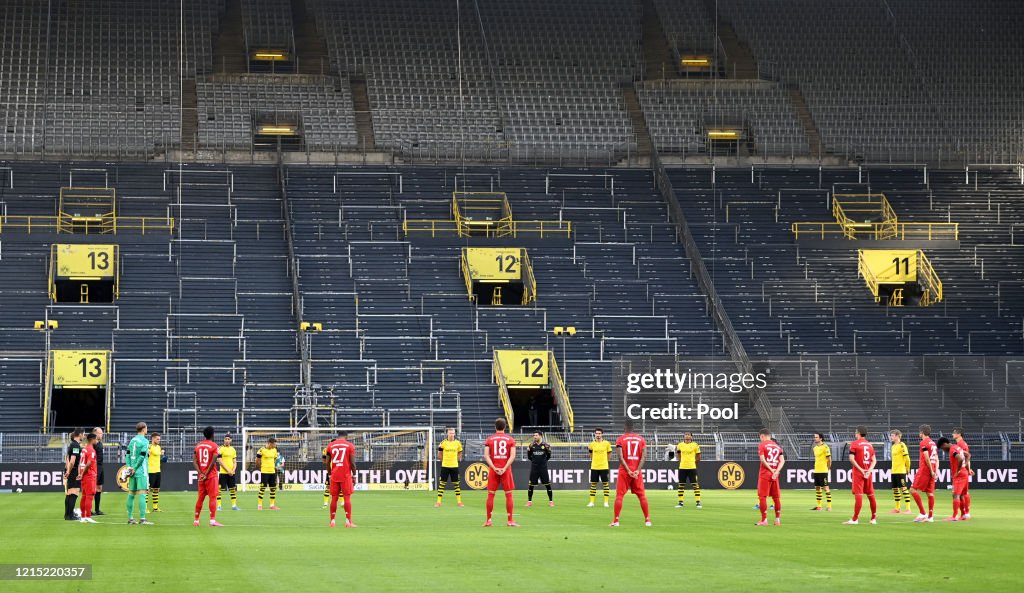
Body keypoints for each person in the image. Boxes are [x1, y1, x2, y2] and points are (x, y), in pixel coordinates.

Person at [610, 420, 650, 527]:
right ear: (633, 427)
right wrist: (637, 470)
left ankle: (616, 521)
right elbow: (644, 456)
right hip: (637, 470)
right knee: (642, 496)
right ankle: (647, 520)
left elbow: (620, 457)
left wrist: (628, 470)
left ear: (625, 427)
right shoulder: (641, 439)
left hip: (625, 470)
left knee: (619, 496)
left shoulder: (620, 439)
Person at [483, 417, 518, 527]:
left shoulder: (489, 439)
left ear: (495, 427)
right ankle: (510, 520)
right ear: (505, 427)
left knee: (491, 494)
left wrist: (493, 467)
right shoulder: (510, 440)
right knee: (508, 495)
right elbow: (512, 456)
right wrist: (504, 468)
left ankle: (488, 520)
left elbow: (486, 456)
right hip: (506, 470)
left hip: (494, 470)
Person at [844, 426, 878, 525]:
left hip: (859, 473)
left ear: (858, 433)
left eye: (855, 433)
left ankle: (855, 519)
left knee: (859, 495)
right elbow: (874, 460)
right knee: (871, 495)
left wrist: (861, 470)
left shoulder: (854, 444)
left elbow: (851, 459)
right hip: (868, 473)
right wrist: (868, 471)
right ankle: (873, 518)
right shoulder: (869, 445)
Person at [325, 432, 358, 528]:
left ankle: (332, 521)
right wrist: (354, 475)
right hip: (345, 475)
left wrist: (330, 474)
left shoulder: (330, 445)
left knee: (334, 498)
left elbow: (327, 462)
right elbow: (352, 463)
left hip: (335, 475)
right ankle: (348, 522)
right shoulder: (350, 446)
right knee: (347, 498)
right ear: (346, 437)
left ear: (337, 436)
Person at [193, 426, 223, 527]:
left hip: (201, 476)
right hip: (211, 476)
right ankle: (212, 521)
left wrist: (201, 473)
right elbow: (214, 460)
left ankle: (196, 520)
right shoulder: (214, 446)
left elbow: (194, 461)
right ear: (212, 434)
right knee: (213, 497)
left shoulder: (198, 446)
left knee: (200, 498)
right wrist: (206, 474)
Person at [125, 422, 153, 525]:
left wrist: (129, 467)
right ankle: (142, 519)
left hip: (132, 470)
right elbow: (141, 457)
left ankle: (130, 518)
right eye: (146, 428)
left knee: (131, 493)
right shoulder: (145, 441)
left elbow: (127, 454)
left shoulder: (132, 440)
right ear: (143, 429)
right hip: (141, 470)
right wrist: (135, 468)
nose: (147, 430)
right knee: (142, 493)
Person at [755, 429, 784, 526]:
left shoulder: (762, 445)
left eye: (760, 437)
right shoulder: (777, 446)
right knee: (776, 497)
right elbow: (782, 461)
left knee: (762, 497)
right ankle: (777, 520)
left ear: (762, 436)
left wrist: (771, 470)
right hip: (775, 475)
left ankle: (764, 520)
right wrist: (776, 471)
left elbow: (762, 460)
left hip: (765, 474)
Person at [938, 437, 971, 521]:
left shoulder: (953, 450)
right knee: (962, 495)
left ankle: (954, 516)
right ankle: (963, 514)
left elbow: (960, 458)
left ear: (944, 444)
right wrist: (966, 467)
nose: (943, 450)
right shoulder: (957, 447)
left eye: (942, 448)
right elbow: (967, 455)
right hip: (964, 473)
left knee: (955, 495)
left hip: (959, 475)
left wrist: (958, 470)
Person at [910, 424, 938, 523]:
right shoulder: (933, 443)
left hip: (925, 470)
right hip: (933, 469)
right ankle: (930, 517)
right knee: (930, 493)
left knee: (913, 490)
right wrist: (935, 471)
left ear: (921, 433)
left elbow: (926, 457)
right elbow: (937, 459)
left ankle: (922, 513)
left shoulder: (924, 442)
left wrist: (930, 471)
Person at [435, 427, 464, 508]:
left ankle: (459, 502)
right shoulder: (443, 443)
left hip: (454, 466)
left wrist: (456, 460)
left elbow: (460, 453)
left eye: (453, 433)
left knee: (456, 484)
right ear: (447, 434)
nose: (451, 434)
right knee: (442, 484)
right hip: (445, 466)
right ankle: (438, 502)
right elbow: (439, 454)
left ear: (454, 434)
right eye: (450, 433)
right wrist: (444, 460)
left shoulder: (458, 443)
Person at [63, 428, 85, 521]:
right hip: (73, 471)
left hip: (71, 470)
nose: (84, 436)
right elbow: (72, 461)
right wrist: (69, 471)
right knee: (74, 493)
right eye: (83, 434)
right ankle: (70, 515)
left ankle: (67, 514)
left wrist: (67, 470)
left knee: (69, 494)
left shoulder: (72, 445)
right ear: (79, 434)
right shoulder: (75, 446)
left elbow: (68, 460)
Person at [526, 431, 553, 507]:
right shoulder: (531, 446)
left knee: (548, 485)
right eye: (534, 435)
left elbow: (548, 456)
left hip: (543, 468)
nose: (534, 437)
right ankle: (529, 501)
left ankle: (551, 501)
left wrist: (543, 462)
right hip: (534, 468)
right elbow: (529, 457)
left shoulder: (546, 446)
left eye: (536, 435)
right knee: (531, 485)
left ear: (540, 436)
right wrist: (535, 462)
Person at [674, 432, 701, 509]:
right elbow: (678, 454)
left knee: (695, 485)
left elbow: (698, 456)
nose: (687, 436)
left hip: (692, 467)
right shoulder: (680, 445)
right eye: (685, 434)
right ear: (683, 436)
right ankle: (680, 502)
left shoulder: (695, 445)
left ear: (691, 437)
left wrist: (694, 464)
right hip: (682, 467)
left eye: (688, 434)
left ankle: (698, 502)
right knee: (681, 485)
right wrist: (681, 461)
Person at [587, 428, 612, 508]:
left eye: (599, 433)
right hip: (594, 466)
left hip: (604, 466)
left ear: (602, 434)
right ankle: (591, 502)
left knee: (605, 484)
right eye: (596, 433)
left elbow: (609, 454)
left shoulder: (607, 443)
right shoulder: (591, 444)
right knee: (593, 484)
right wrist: (594, 461)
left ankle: (606, 502)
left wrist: (605, 462)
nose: (598, 435)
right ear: (595, 434)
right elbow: (590, 455)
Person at [77, 432, 99, 523]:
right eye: (96, 439)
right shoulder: (91, 450)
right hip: (89, 475)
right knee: (90, 496)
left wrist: (80, 473)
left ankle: (83, 516)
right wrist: (82, 474)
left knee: (84, 496)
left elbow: (80, 463)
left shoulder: (84, 449)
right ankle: (88, 516)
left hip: (84, 475)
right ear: (92, 440)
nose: (97, 441)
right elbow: (89, 463)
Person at [889, 430, 912, 514]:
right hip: (894, 471)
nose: (891, 437)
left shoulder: (902, 445)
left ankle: (908, 509)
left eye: (892, 435)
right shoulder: (893, 446)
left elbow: (907, 458)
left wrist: (908, 467)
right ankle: (897, 508)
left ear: (897, 436)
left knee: (904, 488)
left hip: (901, 470)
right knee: (895, 489)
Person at [952, 428, 972, 519]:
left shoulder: (961, 444)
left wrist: (966, 468)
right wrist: (968, 468)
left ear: (959, 434)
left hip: (961, 470)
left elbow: (965, 457)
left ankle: (965, 513)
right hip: (964, 469)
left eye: (954, 433)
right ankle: (965, 513)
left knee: (959, 494)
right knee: (964, 493)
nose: (953, 434)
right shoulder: (962, 443)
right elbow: (967, 456)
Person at [256, 437, 280, 511]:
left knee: (273, 488)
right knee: (262, 488)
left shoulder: (274, 450)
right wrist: (260, 467)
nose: (275, 446)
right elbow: (257, 460)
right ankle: (259, 505)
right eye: (274, 444)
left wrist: (274, 466)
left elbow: (275, 459)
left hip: (272, 472)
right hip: (264, 471)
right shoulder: (261, 450)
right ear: (270, 443)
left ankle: (272, 505)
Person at [217, 434, 240, 511]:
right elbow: (220, 461)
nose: (227, 440)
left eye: (228, 439)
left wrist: (233, 470)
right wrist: (228, 470)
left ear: (231, 440)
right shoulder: (220, 449)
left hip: (231, 473)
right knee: (219, 489)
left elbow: (235, 462)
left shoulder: (233, 449)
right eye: (225, 439)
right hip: (223, 473)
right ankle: (219, 506)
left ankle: (234, 505)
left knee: (232, 489)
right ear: (224, 440)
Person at [810, 432, 832, 511]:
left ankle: (829, 506)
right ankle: (819, 506)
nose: (815, 438)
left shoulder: (825, 447)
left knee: (826, 488)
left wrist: (828, 468)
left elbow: (829, 459)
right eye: (814, 437)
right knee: (817, 488)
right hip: (816, 470)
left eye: (816, 437)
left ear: (821, 438)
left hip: (823, 470)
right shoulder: (815, 448)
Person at [147, 432, 165, 512]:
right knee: (148, 490)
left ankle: (155, 507)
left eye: (159, 439)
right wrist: (161, 453)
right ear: (153, 439)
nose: (159, 440)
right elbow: (154, 454)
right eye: (157, 439)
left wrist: (162, 459)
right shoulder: (149, 447)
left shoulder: (159, 447)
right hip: (150, 471)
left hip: (158, 470)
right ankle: (145, 508)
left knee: (156, 489)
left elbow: (157, 457)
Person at [91, 427, 106, 516]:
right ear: (95, 433)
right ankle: (89, 509)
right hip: (95, 467)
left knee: (99, 487)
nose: (102, 434)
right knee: (92, 488)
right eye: (100, 433)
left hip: (101, 467)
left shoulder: (100, 443)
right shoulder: (93, 443)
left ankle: (97, 509)